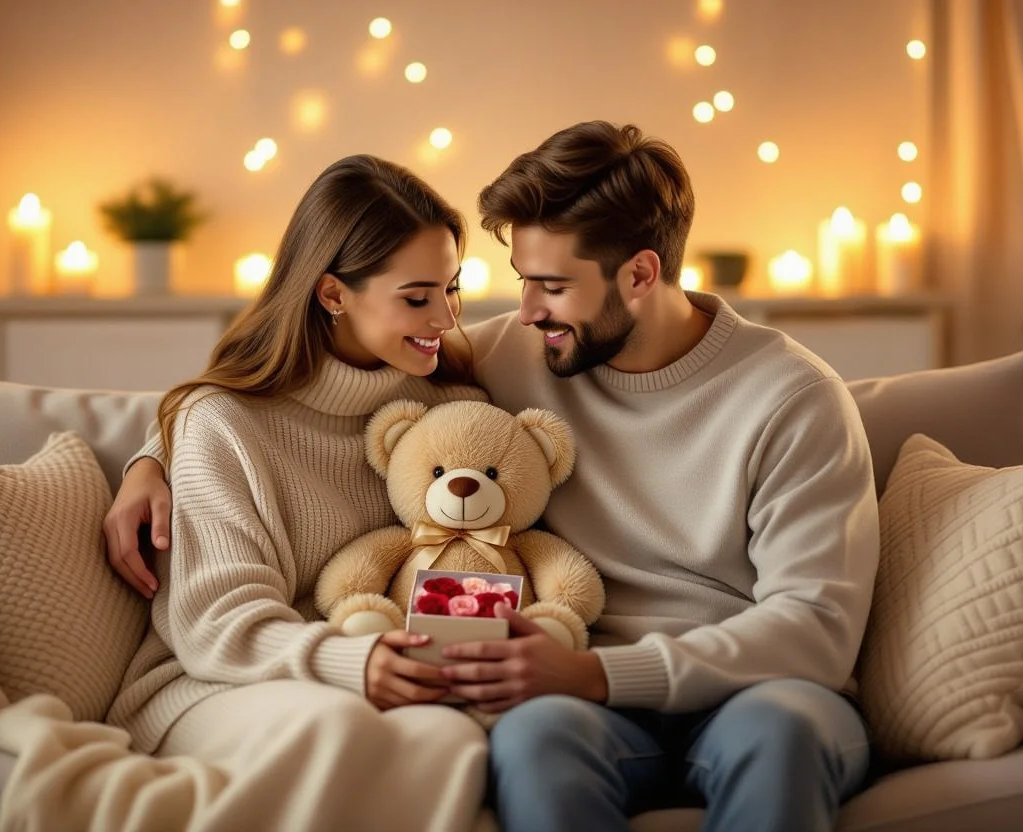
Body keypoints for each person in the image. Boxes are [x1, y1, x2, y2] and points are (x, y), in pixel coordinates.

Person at [107, 122, 880, 832]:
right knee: (537, 740)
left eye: (551, 284)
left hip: (756, 691)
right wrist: (155, 454)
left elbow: (817, 628)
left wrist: (601, 673)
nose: (523, 310)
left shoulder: (793, 397)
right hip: (572, 696)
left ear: (640, 274)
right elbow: (274, 388)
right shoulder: (521, 350)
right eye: (519, 280)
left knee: (782, 737)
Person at [102, 154, 490, 831]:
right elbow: (215, 622)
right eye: (418, 296)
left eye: (453, 288)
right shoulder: (224, 421)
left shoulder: (450, 408)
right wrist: (350, 661)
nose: (446, 316)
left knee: (454, 742)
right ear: (334, 292)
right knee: (337, 726)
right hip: (217, 683)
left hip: (389, 673)